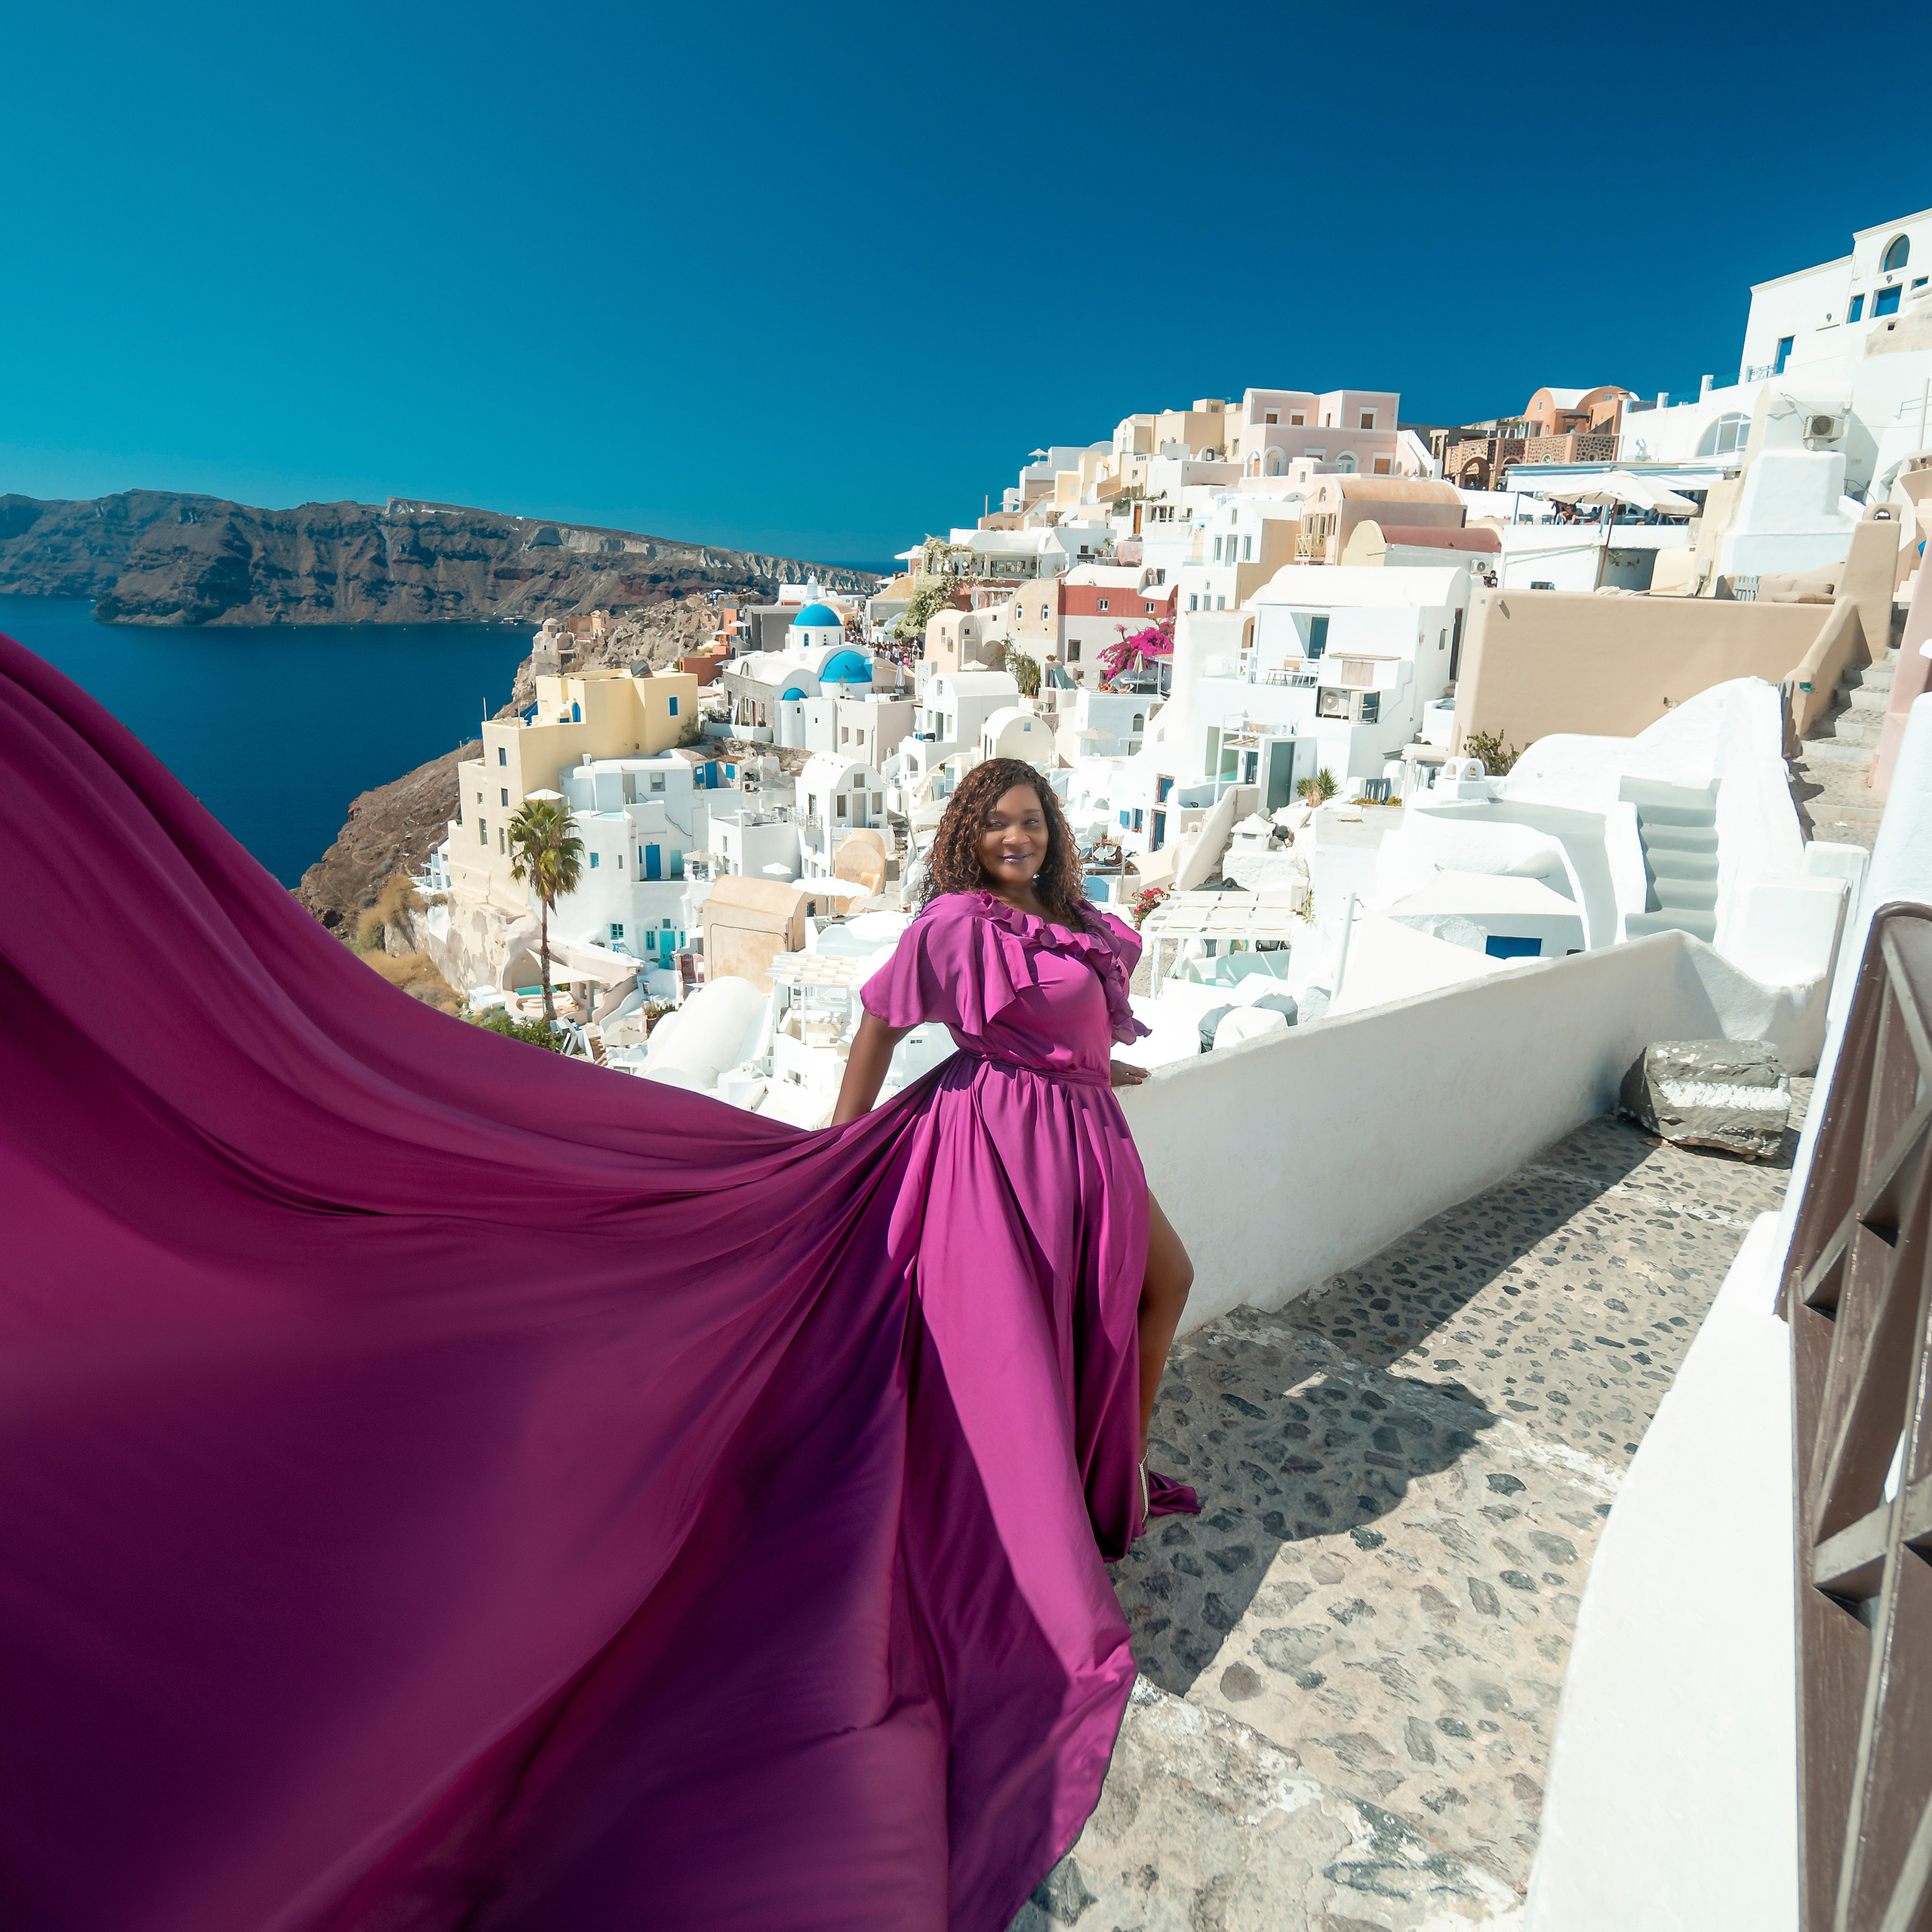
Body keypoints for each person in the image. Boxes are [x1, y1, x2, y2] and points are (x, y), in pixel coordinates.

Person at [0, 648, 1193, 1932]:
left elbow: (1067, 1032)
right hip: (994, 1153)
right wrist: (839, 1144)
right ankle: (1078, 1516)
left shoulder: (1072, 919)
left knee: (1152, 1296)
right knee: (1006, 1363)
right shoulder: (955, 923)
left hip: (1083, 1140)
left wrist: (1093, 1080)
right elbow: (877, 1027)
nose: (1019, 835)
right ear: (969, 832)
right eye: (999, 820)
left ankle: (1105, 1479)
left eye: (1032, 820)